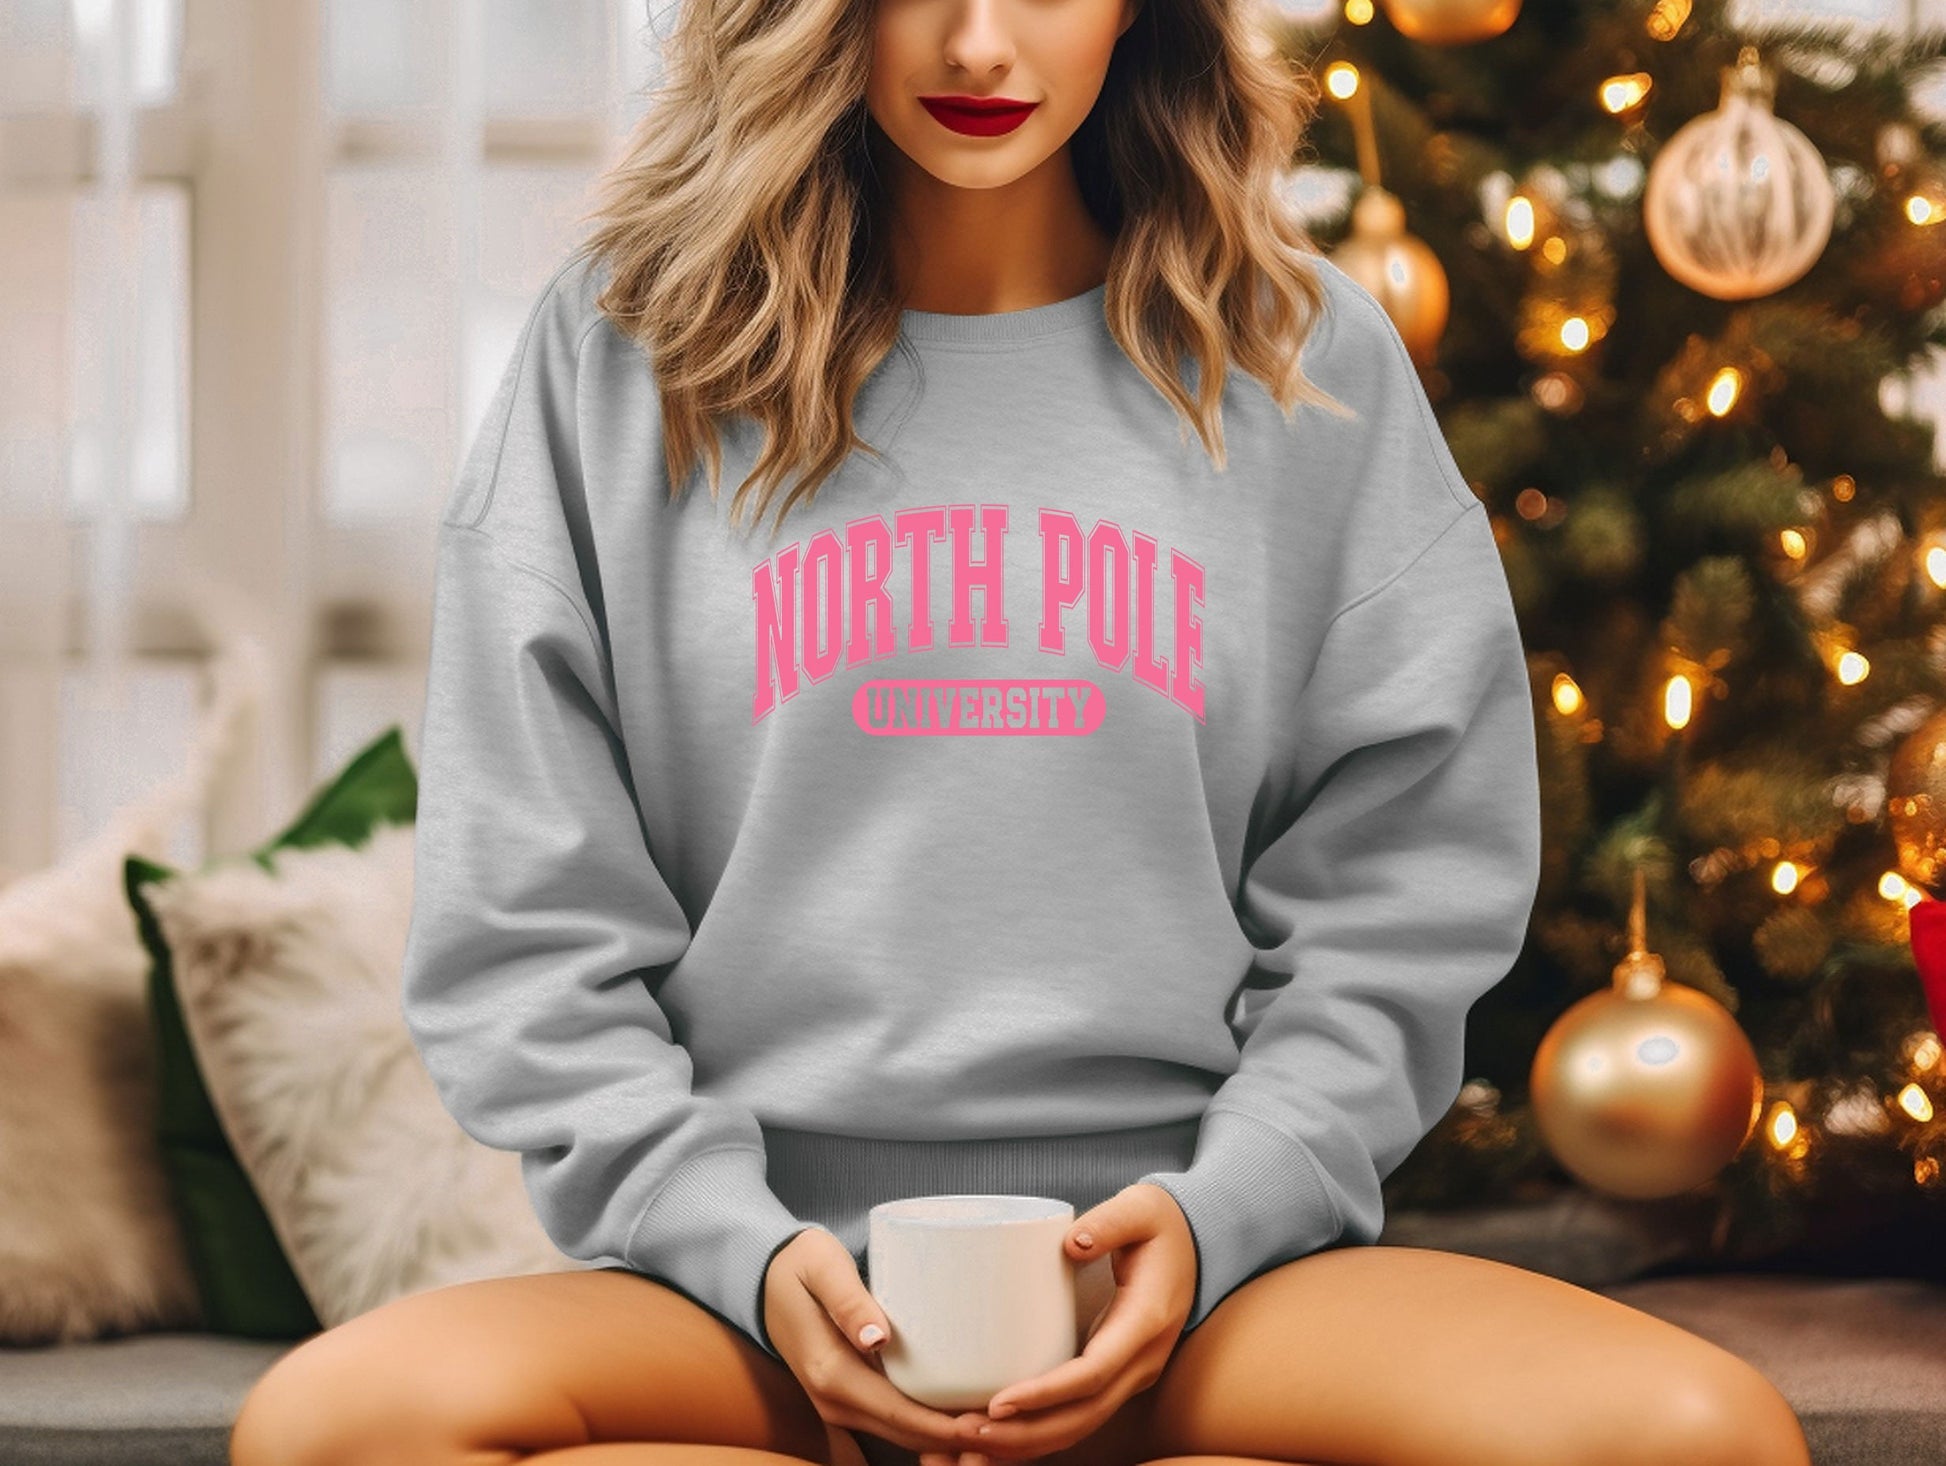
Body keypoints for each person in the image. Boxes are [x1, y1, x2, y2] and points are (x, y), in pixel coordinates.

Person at [229, 0, 1817, 1460]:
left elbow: (1389, 914)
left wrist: (1211, 1218)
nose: (979, 42)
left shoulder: (1303, 358)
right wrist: (742, 1243)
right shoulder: (618, 354)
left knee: (1697, 1433)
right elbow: (526, 929)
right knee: (334, 1427)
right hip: (753, 1304)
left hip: (1201, 1290)